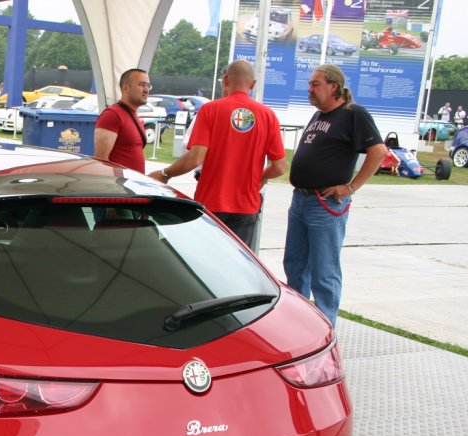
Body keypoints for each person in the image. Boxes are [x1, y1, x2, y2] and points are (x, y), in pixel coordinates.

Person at [283, 64, 386, 326]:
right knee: (295, 264)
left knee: (324, 270)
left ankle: (325, 329)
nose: (310, 89)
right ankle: (298, 322)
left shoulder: (354, 115)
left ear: (334, 86)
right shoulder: (319, 116)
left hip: (325, 204)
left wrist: (351, 187)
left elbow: (379, 152)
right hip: (301, 201)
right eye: (309, 84)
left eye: (315, 84)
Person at [149, 60, 286, 248]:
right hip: (246, 206)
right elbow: (279, 167)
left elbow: (196, 157)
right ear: (252, 84)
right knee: (238, 263)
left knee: (207, 265)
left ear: (225, 80)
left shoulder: (210, 110)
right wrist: (259, 178)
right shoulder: (268, 115)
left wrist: (165, 174)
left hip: (212, 202)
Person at [93, 68, 150, 172]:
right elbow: (101, 161)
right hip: (118, 185)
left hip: (132, 185)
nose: (146, 90)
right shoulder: (112, 115)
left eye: (148, 85)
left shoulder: (132, 115)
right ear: (126, 87)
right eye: (142, 85)